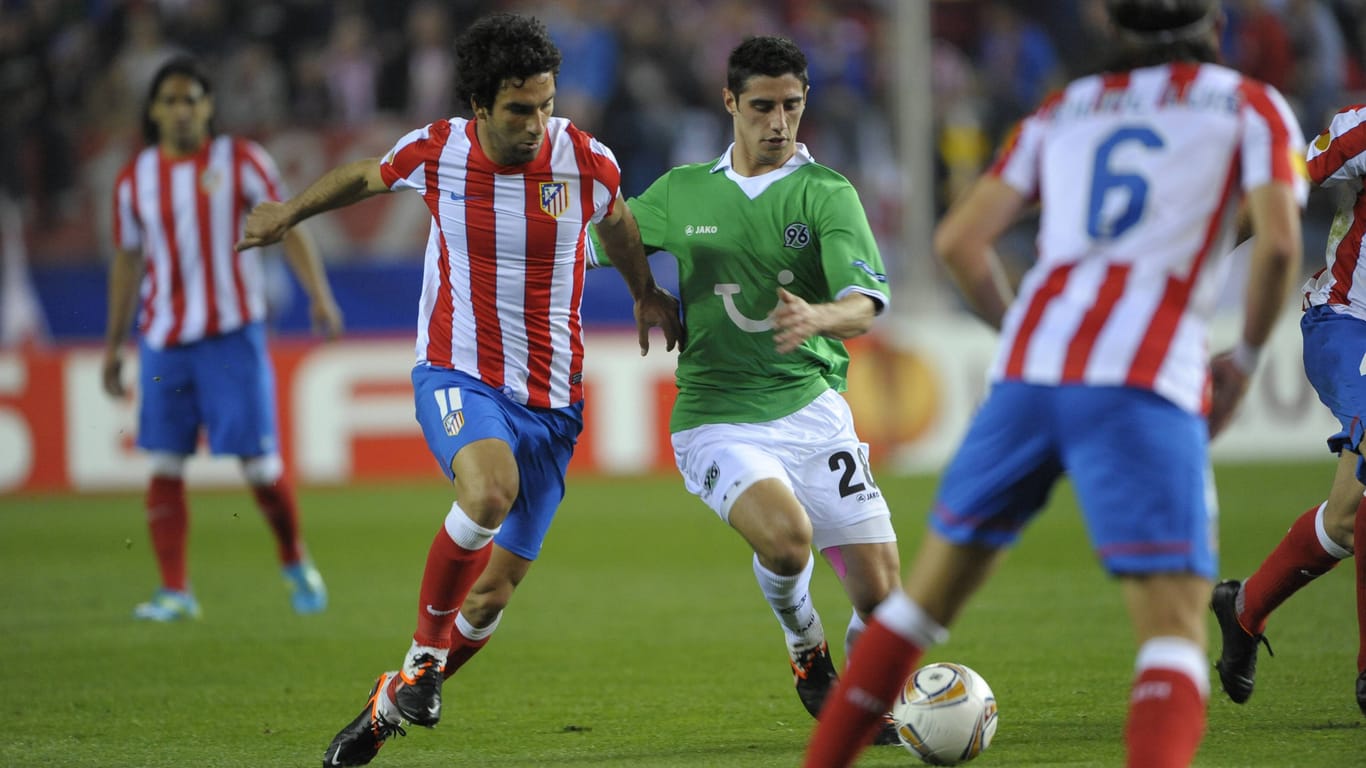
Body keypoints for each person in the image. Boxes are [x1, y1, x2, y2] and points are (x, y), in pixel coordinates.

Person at [803, 1, 1307, 765]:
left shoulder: (1064, 108)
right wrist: (1243, 361)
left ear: (1111, 30)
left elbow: (959, 242)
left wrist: (1023, 336)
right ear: (1213, 29)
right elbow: (1277, 246)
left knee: (920, 605)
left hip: (1030, 375)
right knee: (1171, 632)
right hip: (1143, 377)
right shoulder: (1252, 106)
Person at [233, 13, 681, 767]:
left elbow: (622, 225)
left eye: (545, 104)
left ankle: (393, 698)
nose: (538, 123)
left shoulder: (585, 160)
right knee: (487, 491)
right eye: (519, 109)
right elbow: (363, 176)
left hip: (554, 403)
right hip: (459, 371)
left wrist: (645, 291)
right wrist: (289, 213)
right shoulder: (437, 152)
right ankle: (426, 660)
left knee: (492, 598)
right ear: (480, 106)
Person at [590, 35, 902, 741]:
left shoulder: (827, 193)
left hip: (812, 410)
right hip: (718, 418)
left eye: (792, 105)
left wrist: (822, 314)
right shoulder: (685, 190)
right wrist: (645, 289)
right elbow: (604, 235)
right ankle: (806, 649)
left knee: (884, 600)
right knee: (788, 542)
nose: (779, 123)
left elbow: (869, 300)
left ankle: (864, 685)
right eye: (762, 106)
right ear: (730, 102)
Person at [103, 56, 342, 622]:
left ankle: (293, 558)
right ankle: (175, 592)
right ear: (155, 112)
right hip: (164, 339)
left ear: (208, 107)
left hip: (232, 335)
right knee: (164, 462)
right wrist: (114, 344)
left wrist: (319, 295)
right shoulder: (135, 178)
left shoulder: (241, 161)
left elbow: (286, 225)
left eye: (192, 100)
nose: (182, 111)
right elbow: (127, 262)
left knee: (259, 466)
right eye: (171, 101)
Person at [1211, 102, 1366, 716]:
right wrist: (1186, 275)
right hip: (1348, 322)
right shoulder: (1361, 128)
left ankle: (1244, 609)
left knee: (1351, 517)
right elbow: (1282, 190)